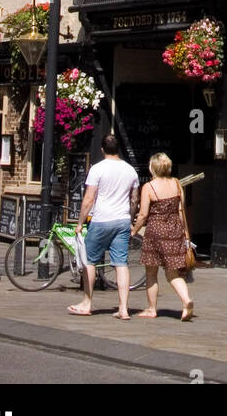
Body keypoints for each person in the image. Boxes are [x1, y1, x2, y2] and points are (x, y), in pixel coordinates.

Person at [67, 134, 139, 320]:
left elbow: (89, 198)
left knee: (89, 261)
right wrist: (129, 219)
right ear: (118, 149)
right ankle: (123, 308)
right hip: (122, 220)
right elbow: (134, 199)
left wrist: (80, 223)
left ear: (102, 149)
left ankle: (87, 303)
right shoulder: (130, 170)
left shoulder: (97, 169)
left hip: (101, 220)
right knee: (121, 264)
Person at [130, 152, 195, 322]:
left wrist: (135, 230)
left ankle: (152, 309)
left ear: (152, 168)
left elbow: (143, 214)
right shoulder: (176, 184)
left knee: (151, 272)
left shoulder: (149, 187)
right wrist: (185, 233)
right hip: (175, 230)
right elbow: (181, 211)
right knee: (173, 273)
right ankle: (186, 300)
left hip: (155, 232)